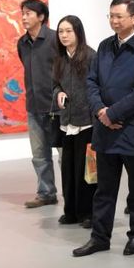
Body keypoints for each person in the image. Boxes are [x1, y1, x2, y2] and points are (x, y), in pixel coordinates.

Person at [73, 0, 134, 257]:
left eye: (118, 16)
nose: (113, 21)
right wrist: (101, 111)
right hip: (105, 129)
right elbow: (91, 82)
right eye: (111, 16)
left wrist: (112, 113)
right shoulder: (104, 46)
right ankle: (100, 237)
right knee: (104, 189)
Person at [52, 15, 97, 228]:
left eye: (68, 31)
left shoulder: (91, 56)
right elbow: (55, 85)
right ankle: (70, 211)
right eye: (61, 31)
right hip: (66, 123)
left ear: (78, 32)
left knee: (86, 171)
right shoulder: (59, 59)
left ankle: (87, 213)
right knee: (68, 170)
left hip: (87, 123)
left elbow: (98, 87)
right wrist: (58, 93)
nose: (64, 35)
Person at [17, 0, 59, 208]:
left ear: (41, 17)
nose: (24, 17)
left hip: (57, 108)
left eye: (28, 13)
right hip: (33, 107)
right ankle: (46, 193)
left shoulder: (55, 39)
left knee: (66, 155)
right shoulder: (22, 43)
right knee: (39, 155)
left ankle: (75, 196)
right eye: (23, 13)